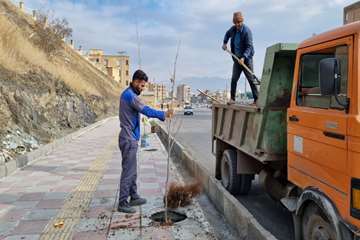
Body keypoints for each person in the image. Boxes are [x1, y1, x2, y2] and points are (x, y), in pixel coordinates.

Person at [118, 69, 173, 213]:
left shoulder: (128, 94)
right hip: (128, 138)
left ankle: (134, 196)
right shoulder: (130, 96)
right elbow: (146, 110)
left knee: (132, 170)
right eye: (141, 85)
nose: (142, 89)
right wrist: (163, 114)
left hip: (129, 137)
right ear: (135, 82)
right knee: (128, 172)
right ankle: (123, 202)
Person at [222, 11, 258, 104]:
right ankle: (232, 99)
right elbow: (227, 34)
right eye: (236, 23)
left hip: (247, 59)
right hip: (237, 59)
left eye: (239, 22)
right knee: (234, 79)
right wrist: (225, 43)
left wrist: (243, 57)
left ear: (242, 21)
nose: (238, 24)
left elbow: (249, 46)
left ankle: (256, 99)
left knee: (251, 79)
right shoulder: (233, 30)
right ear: (234, 23)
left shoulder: (247, 31)